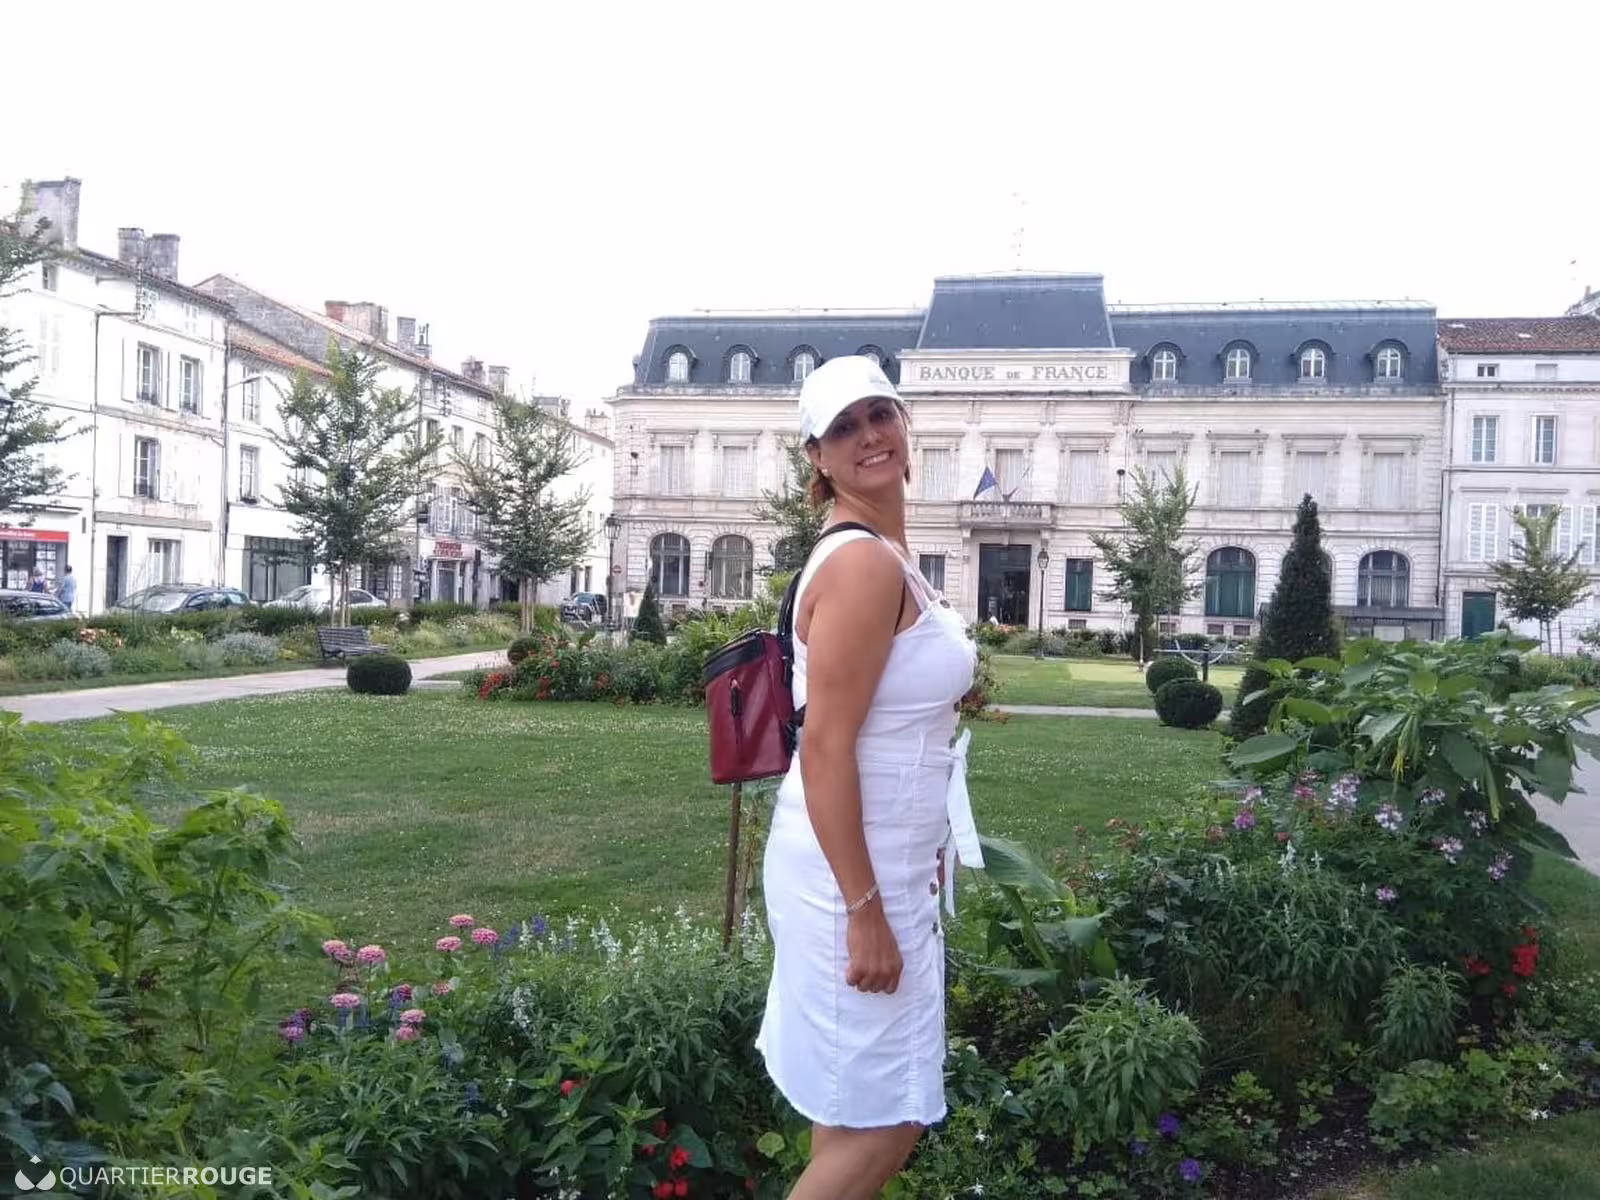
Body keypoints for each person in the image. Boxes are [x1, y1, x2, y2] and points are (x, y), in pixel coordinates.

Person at [754, 355, 983, 1199]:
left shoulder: (882, 551)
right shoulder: (863, 564)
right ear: (817, 456)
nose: (869, 436)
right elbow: (826, 747)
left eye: (880, 415)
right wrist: (865, 911)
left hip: (875, 855)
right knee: (890, 1119)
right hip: (849, 873)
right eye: (843, 428)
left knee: (852, 1109)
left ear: (904, 425)